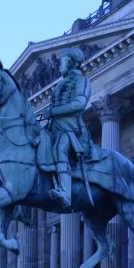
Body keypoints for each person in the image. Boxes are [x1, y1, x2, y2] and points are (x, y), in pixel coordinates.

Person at [45, 47, 91, 209]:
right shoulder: (60, 84)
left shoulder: (82, 81)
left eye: (63, 62)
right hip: (55, 127)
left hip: (72, 129)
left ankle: (65, 192)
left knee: (60, 148)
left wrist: (52, 112)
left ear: (71, 63)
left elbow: (79, 104)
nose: (59, 66)